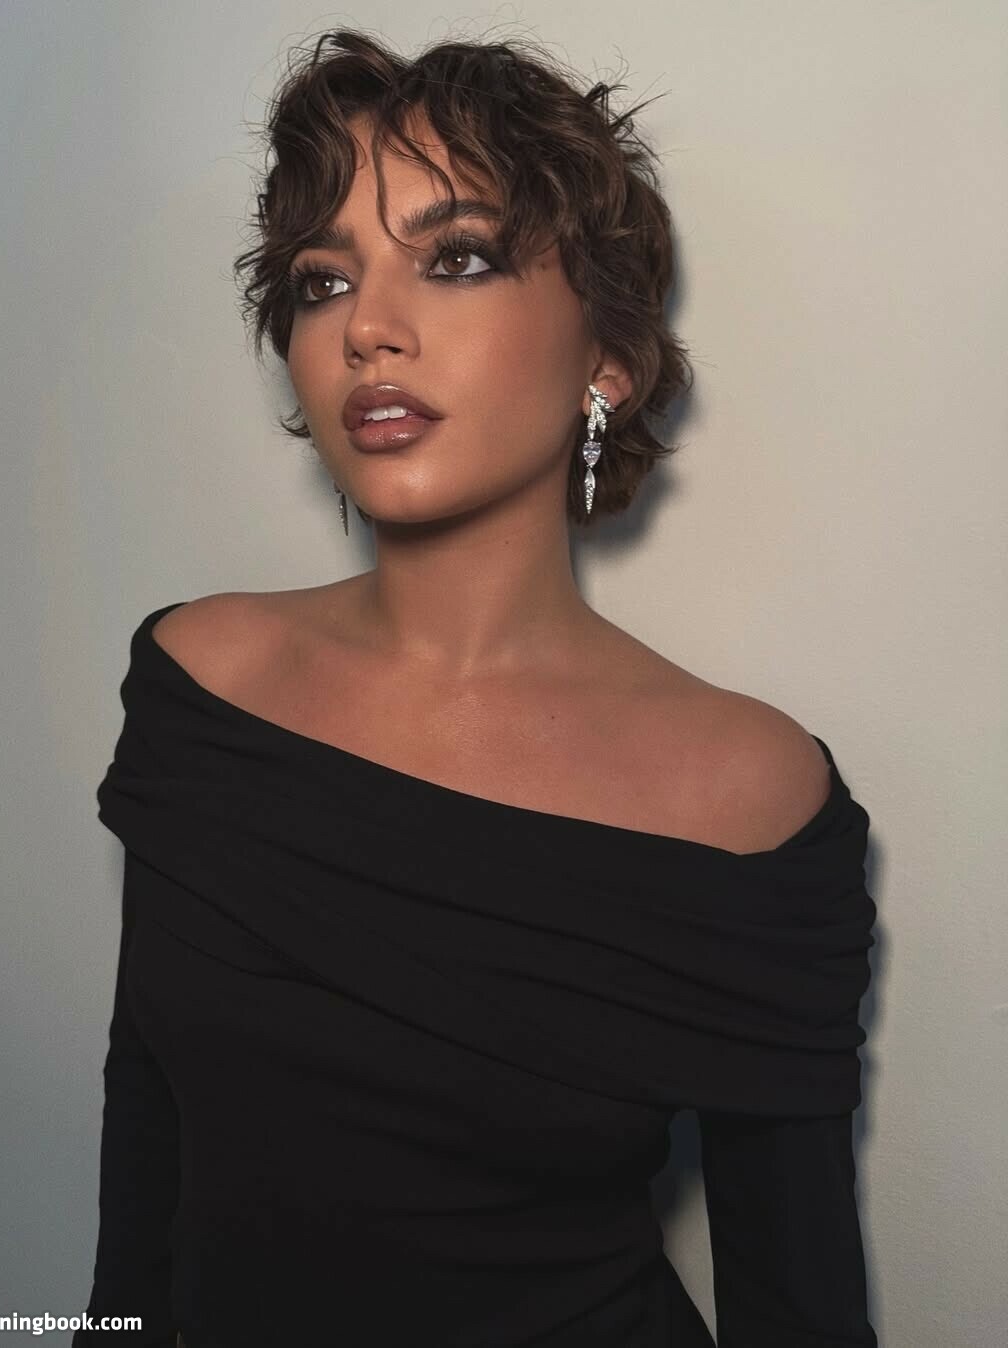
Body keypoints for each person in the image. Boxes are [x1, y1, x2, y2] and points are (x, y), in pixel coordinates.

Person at [74, 28, 878, 1347]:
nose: (367, 329)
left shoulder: (747, 796)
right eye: (323, 281)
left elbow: (799, 1310)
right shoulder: (200, 687)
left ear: (608, 357)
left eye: (455, 259)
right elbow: (145, 1165)